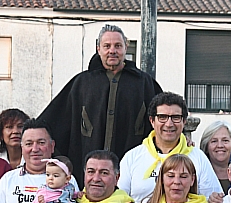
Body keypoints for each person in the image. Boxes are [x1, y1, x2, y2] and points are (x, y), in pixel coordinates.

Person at [38, 24, 162, 184]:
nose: (112, 51)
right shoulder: (82, 83)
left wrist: (181, 138)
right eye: (107, 46)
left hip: (130, 175)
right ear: (98, 48)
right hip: (87, 178)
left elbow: (165, 118)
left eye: (118, 46)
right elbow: (53, 120)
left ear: (126, 47)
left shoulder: (144, 83)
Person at [198, 120, 231, 193]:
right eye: (214, 141)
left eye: (225, 140)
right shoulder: (198, 174)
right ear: (206, 146)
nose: (220, 145)